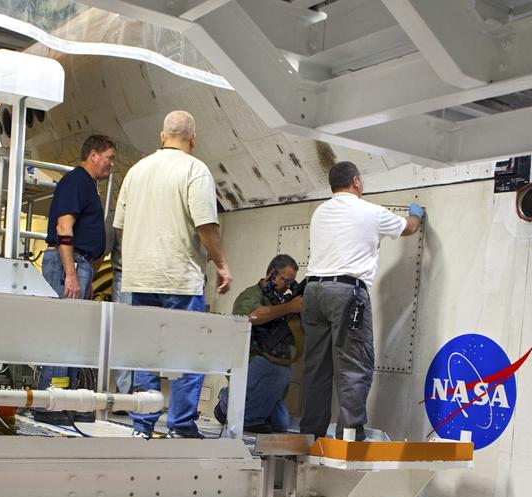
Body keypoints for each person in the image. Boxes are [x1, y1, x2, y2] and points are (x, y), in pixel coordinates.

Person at [113, 110, 231, 438]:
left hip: (139, 279)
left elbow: (121, 228)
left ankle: (142, 426)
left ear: (161, 136)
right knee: (187, 354)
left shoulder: (136, 172)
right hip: (180, 278)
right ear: (193, 139)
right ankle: (180, 426)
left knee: (145, 354)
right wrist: (221, 263)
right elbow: (206, 224)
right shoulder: (195, 170)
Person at [299, 161, 423, 441]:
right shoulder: (370, 211)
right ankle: (351, 433)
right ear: (356, 181)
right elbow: (408, 228)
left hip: (313, 292)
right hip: (346, 294)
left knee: (316, 368)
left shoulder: (320, 212)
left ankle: (310, 435)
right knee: (354, 364)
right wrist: (416, 213)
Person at [34, 134, 117, 424]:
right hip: (68, 263)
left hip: (80, 264)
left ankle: (62, 402)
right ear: (92, 155)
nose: (110, 164)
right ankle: (49, 405)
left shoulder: (87, 186)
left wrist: (87, 274)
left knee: (70, 338)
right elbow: (64, 225)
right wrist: (70, 273)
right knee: (62, 335)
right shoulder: (77, 181)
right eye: (109, 157)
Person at [214, 255, 304, 434]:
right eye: (286, 281)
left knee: (281, 423)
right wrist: (289, 308)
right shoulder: (251, 294)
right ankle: (227, 406)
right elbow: (251, 316)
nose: (288, 287)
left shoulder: (279, 300)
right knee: (278, 371)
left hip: (264, 370)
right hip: (248, 362)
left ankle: (248, 408)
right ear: (272, 273)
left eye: (291, 283)